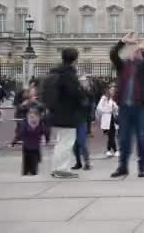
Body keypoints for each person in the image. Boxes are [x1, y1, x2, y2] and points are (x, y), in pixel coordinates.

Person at [109, 33, 144, 178]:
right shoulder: (123, 66)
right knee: (124, 138)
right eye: (135, 50)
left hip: (140, 107)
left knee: (141, 137)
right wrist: (122, 42)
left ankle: (142, 167)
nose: (136, 53)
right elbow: (113, 55)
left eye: (138, 51)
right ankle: (122, 166)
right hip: (125, 107)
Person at [43, 48, 88, 179]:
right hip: (68, 112)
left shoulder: (57, 72)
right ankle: (62, 169)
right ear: (74, 59)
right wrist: (83, 91)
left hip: (57, 111)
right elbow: (73, 94)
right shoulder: (69, 74)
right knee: (67, 142)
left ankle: (56, 167)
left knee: (61, 141)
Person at [72, 77, 93, 171]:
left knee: (81, 142)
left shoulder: (88, 94)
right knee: (75, 145)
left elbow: (88, 105)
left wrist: (85, 89)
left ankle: (87, 162)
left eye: (84, 82)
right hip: (74, 121)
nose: (82, 83)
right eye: (81, 82)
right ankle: (78, 162)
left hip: (82, 121)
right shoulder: (76, 93)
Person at [20, 105, 47, 176]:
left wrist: (45, 139)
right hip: (26, 146)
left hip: (35, 147)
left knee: (34, 165)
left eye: (33, 117)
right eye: (30, 117)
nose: (31, 119)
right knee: (26, 163)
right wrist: (14, 142)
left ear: (38, 117)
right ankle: (26, 173)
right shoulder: (25, 122)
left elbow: (44, 132)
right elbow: (20, 133)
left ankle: (34, 172)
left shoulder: (40, 123)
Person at [97, 86, 119, 157]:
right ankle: (115, 150)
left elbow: (116, 108)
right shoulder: (104, 98)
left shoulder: (112, 99)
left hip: (112, 118)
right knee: (111, 135)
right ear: (108, 91)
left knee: (111, 135)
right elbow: (99, 108)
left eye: (113, 90)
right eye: (111, 90)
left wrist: (114, 107)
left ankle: (109, 150)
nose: (113, 92)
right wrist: (106, 110)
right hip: (106, 118)